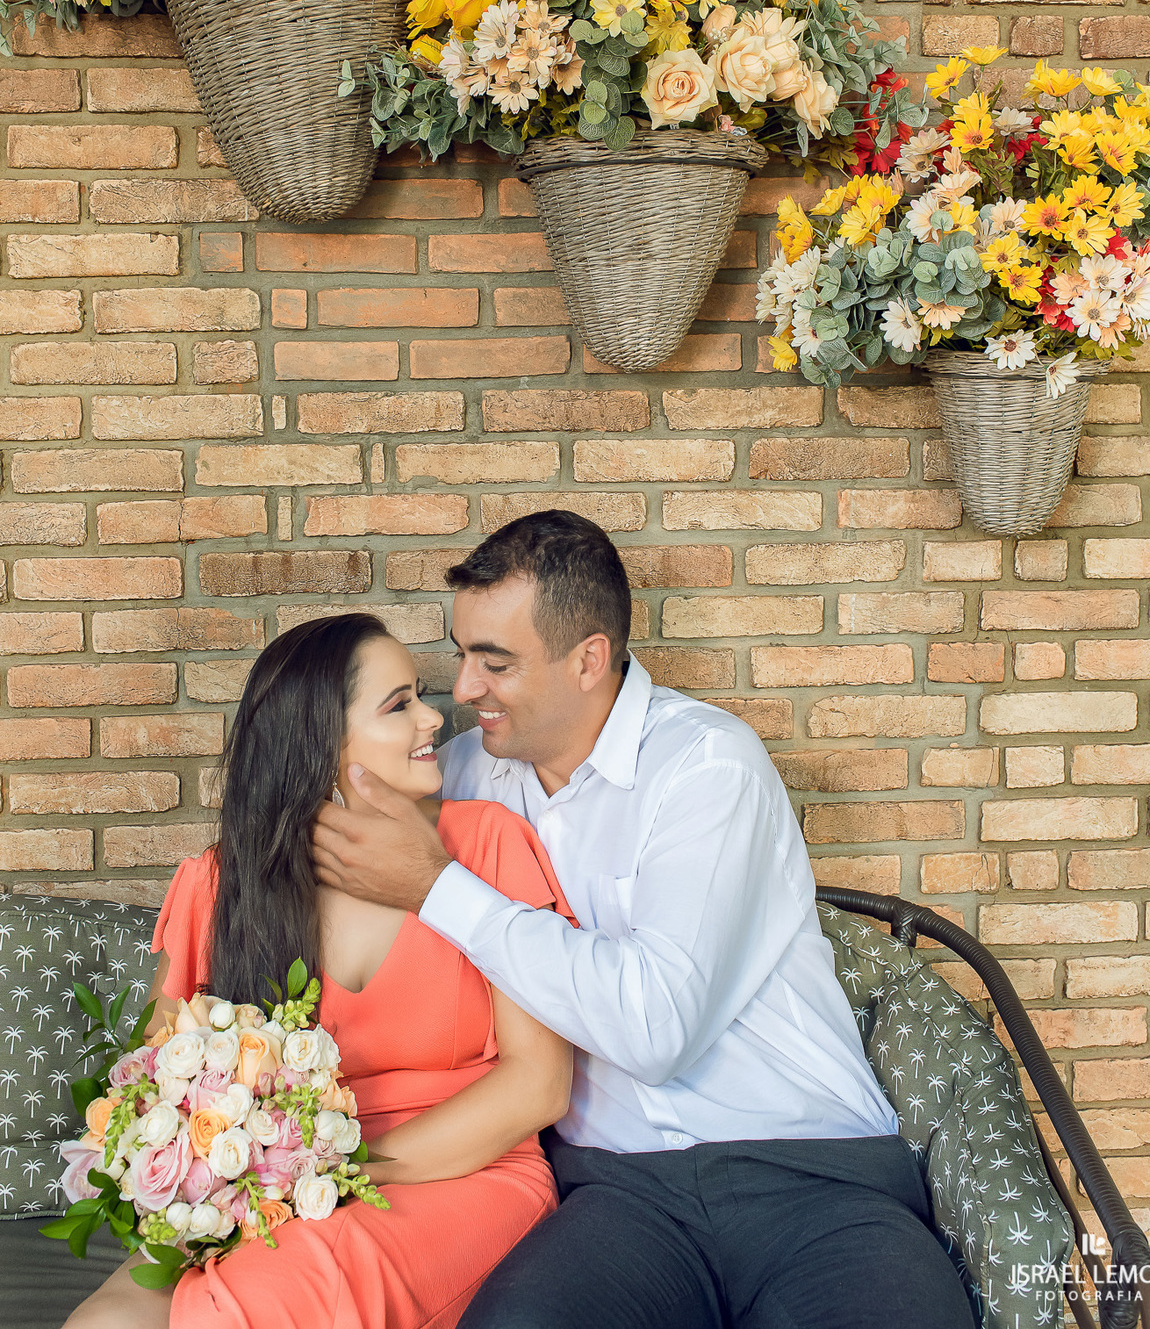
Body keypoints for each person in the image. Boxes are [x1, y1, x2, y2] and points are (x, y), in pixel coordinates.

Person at [313, 512, 975, 1329]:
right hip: (619, 1199)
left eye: (496, 662)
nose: (465, 688)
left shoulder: (706, 766)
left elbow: (656, 1030)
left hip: (812, 1180)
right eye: (462, 654)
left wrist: (438, 888)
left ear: (590, 658)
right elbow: (328, 827)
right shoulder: (459, 779)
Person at [65, 612, 574, 1329]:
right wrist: (240, 1180)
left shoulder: (487, 845)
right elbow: (158, 1088)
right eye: (398, 705)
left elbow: (540, 1085)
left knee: (258, 1298)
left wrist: (329, 1170)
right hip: (273, 1189)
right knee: (110, 1321)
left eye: (420, 694)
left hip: (467, 1175)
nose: (435, 718)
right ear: (320, 745)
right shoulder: (219, 887)